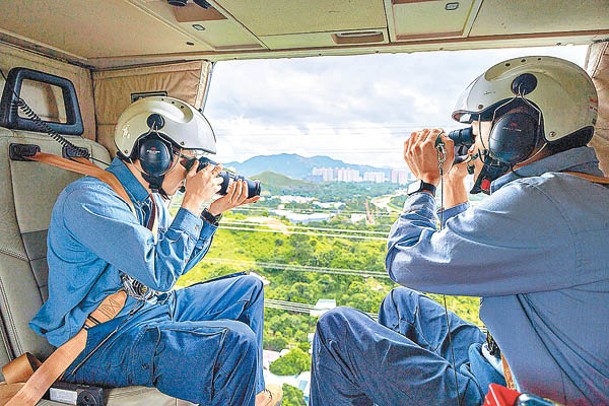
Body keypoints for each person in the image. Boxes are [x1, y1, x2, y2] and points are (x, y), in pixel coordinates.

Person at [310, 56, 609, 405]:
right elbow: (464, 251)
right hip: (499, 360)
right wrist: (453, 179)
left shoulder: (539, 201)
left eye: (481, 126)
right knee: (401, 305)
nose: (477, 142)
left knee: (339, 330)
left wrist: (425, 183)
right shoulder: (578, 192)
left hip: (506, 393)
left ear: (517, 127)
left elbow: (405, 261)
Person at [29, 96, 282, 406]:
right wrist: (191, 202)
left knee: (248, 288)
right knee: (235, 340)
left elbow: (174, 267)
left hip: (145, 311)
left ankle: (250, 396)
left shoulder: (147, 202)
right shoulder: (89, 200)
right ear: (152, 155)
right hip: (96, 340)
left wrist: (210, 214)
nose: (193, 173)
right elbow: (160, 274)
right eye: (189, 161)